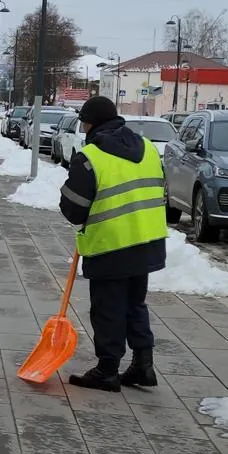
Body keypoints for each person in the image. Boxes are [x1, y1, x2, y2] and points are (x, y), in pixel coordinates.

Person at [57, 95, 165, 390]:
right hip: (146, 241)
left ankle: (107, 369)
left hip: (111, 245)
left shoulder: (91, 157)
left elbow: (73, 209)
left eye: (84, 123)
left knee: (108, 309)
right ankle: (143, 365)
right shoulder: (148, 149)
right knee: (134, 304)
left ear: (91, 124)